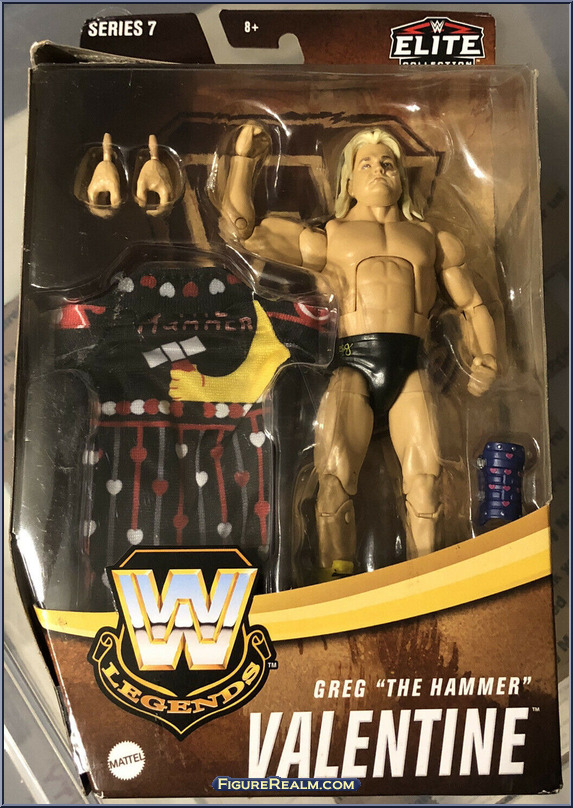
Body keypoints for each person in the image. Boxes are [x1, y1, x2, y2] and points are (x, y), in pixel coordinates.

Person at [216, 124, 498, 581]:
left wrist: (485, 354)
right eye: (365, 163)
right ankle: (337, 583)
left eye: (387, 163)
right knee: (333, 482)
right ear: (347, 180)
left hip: (411, 367)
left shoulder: (431, 239)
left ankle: (428, 584)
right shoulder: (330, 237)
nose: (378, 170)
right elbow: (240, 232)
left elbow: (472, 304)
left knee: (426, 485)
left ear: (401, 176)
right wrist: (243, 163)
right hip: (354, 364)